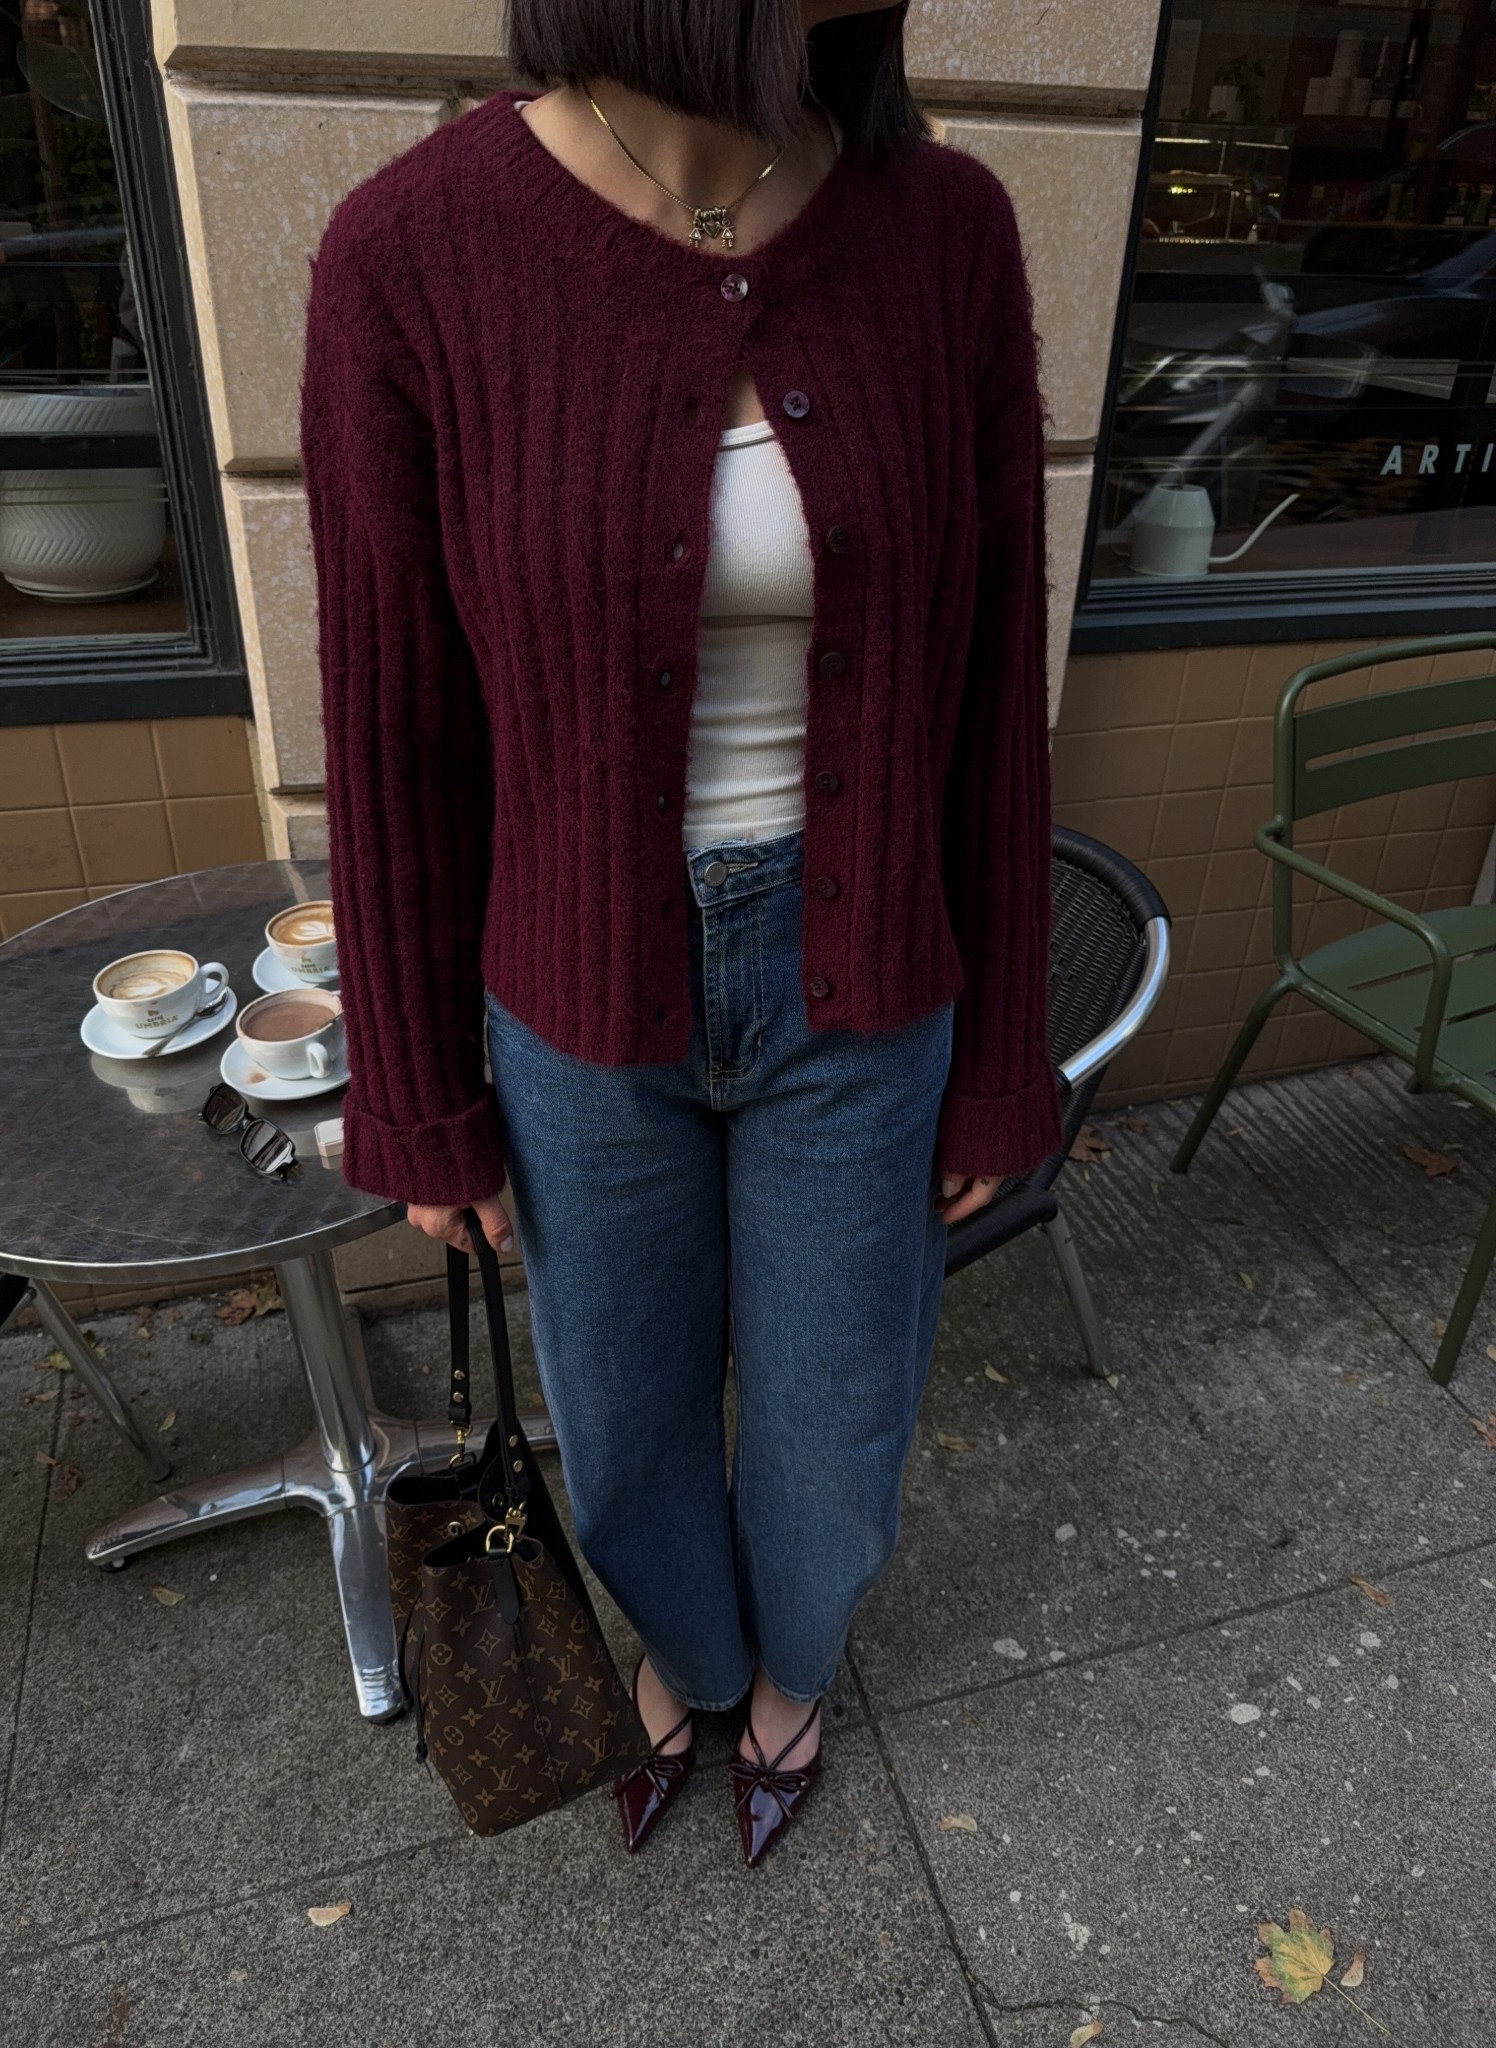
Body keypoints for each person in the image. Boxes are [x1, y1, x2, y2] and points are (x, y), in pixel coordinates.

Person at [299, 0, 1061, 1868]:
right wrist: (416, 1096)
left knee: (836, 1407)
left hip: (865, 969)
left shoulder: (942, 232)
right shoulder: (407, 257)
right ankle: (684, 1660)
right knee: (623, 1410)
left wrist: (1007, 1067)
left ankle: (791, 1672)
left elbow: (989, 697)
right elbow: (392, 721)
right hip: (577, 989)